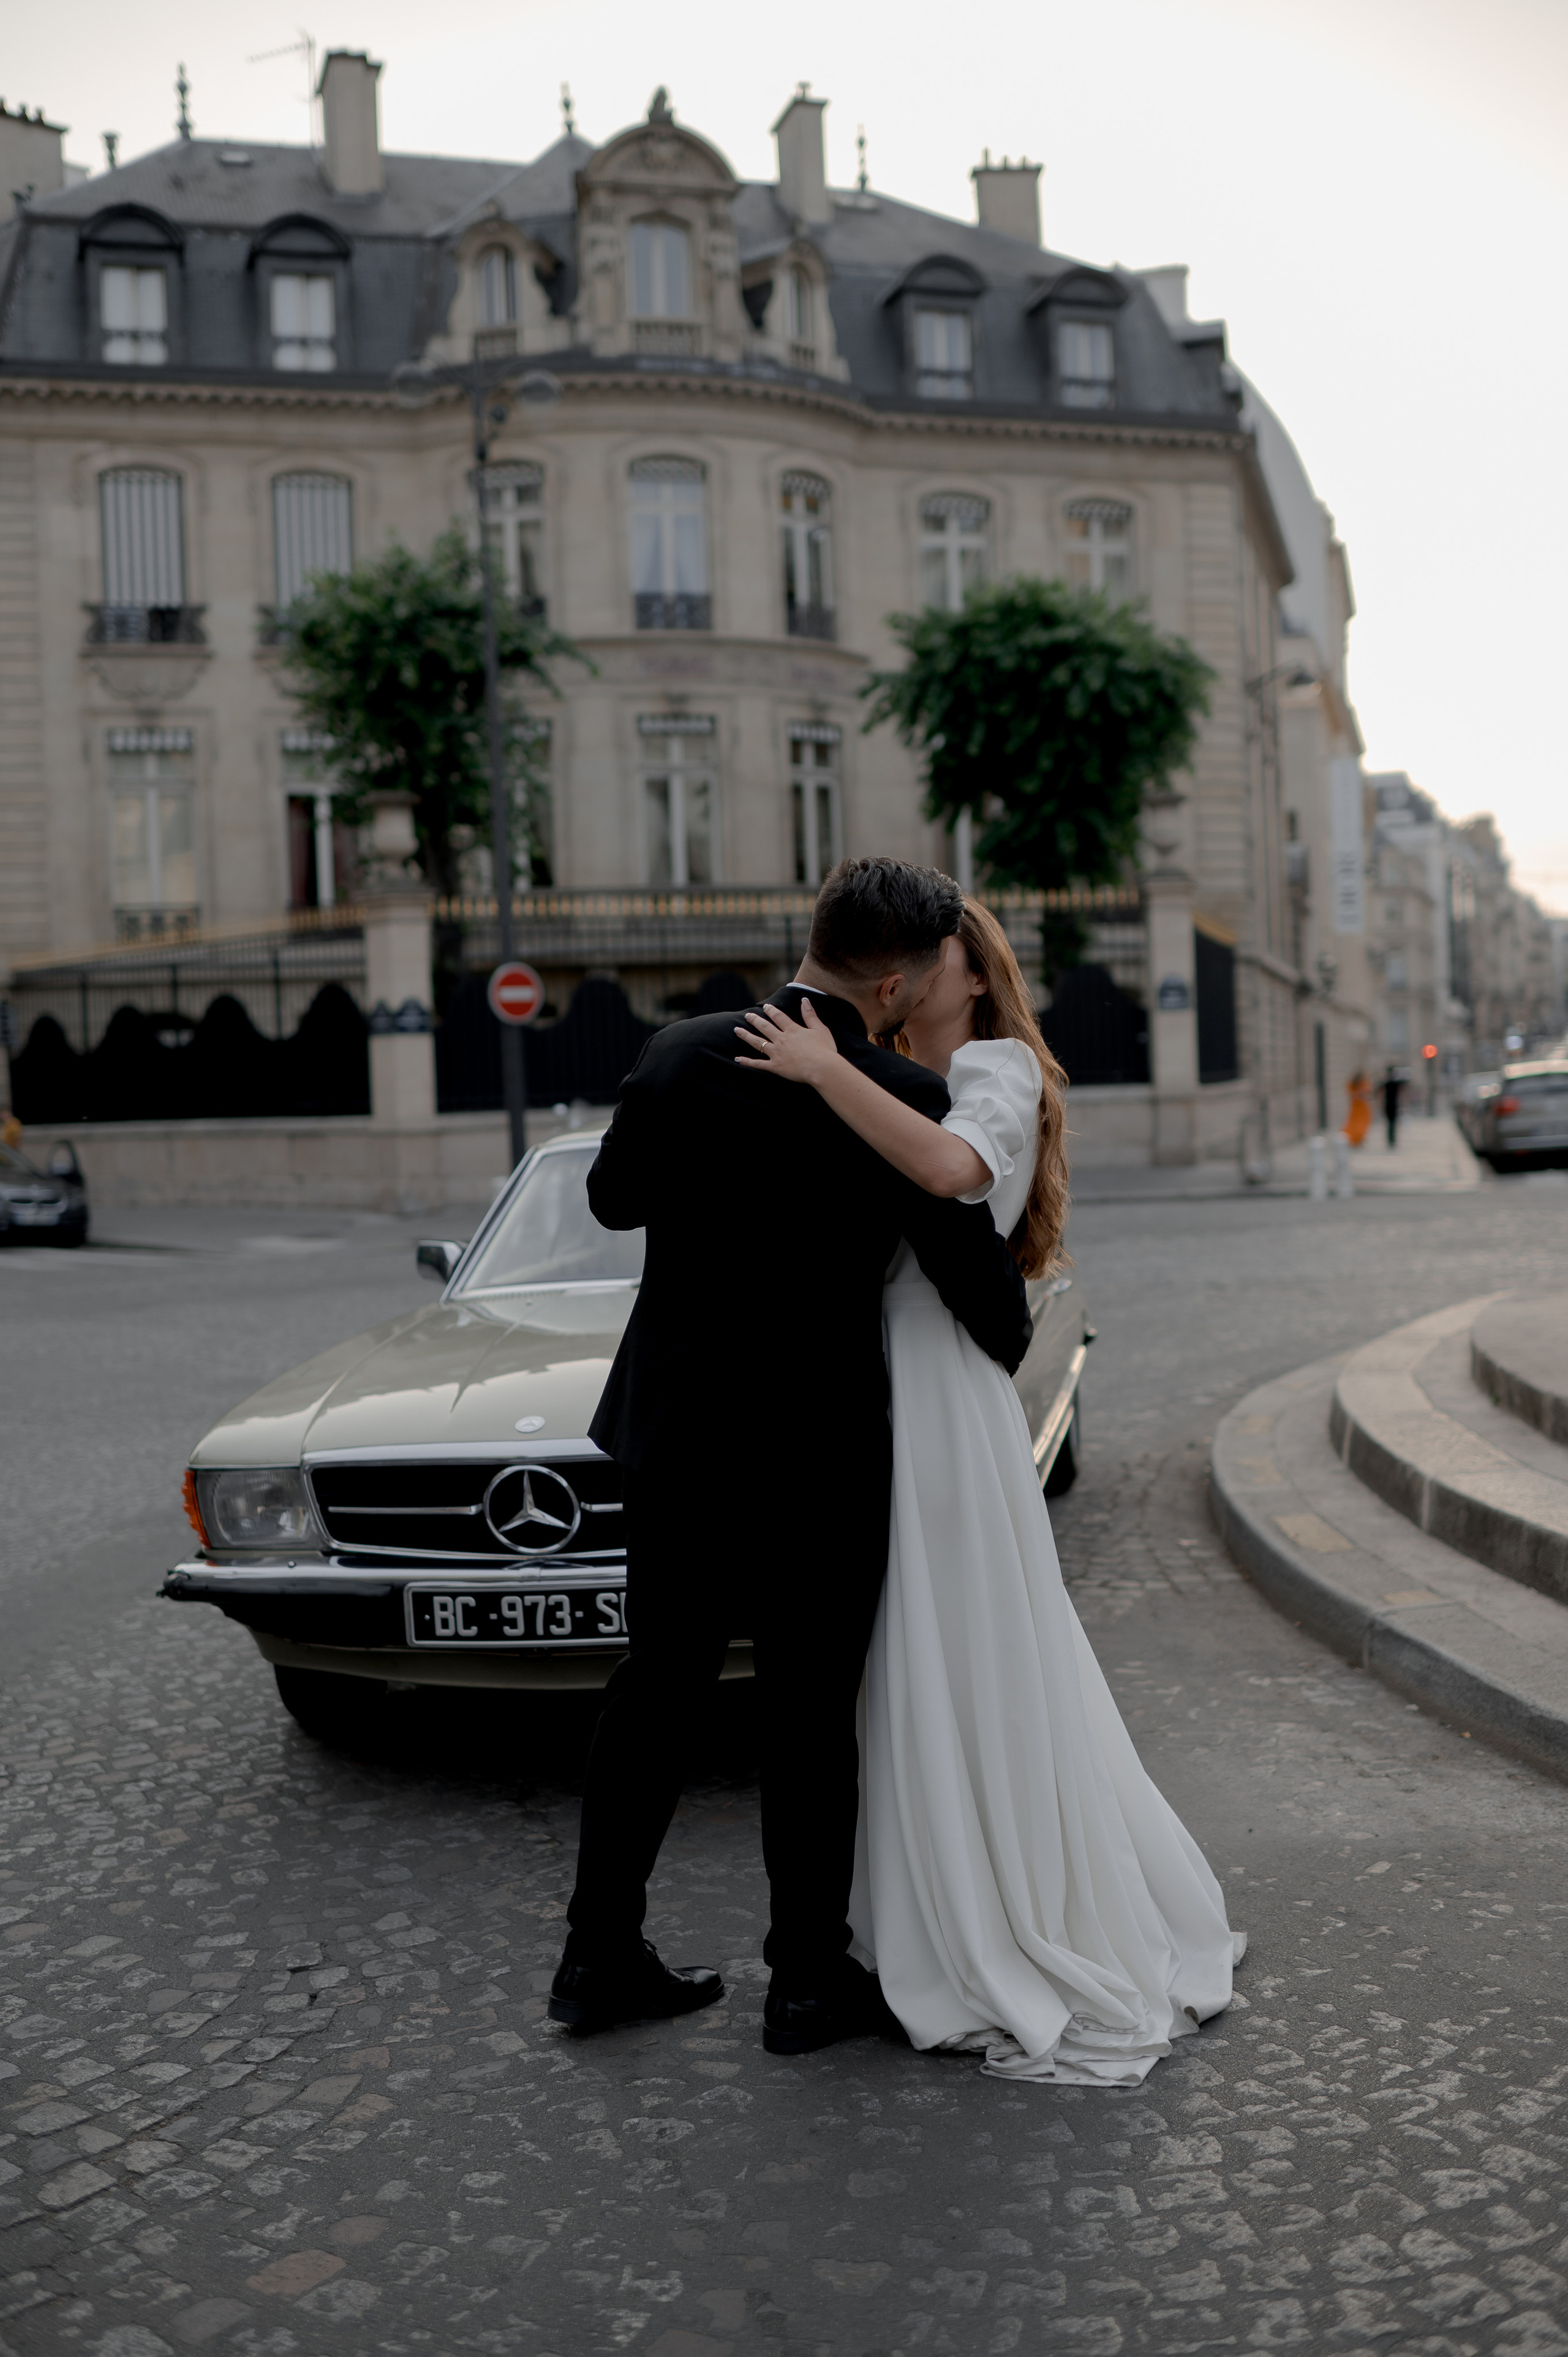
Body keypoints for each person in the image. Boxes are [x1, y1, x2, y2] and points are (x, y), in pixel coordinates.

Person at [736, 898, 1243, 2084]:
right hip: (871, 1391)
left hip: (944, 1398)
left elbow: (952, 1170)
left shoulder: (997, 1069)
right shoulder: (898, 1066)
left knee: (954, 1647)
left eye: (937, 951)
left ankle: (996, 1917)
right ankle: (913, 1913)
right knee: (898, 1664)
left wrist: (821, 1065)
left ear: (973, 969)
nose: (909, 972)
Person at [549, 858, 1035, 2052]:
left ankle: (594, 1956)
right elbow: (980, 1288)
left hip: (676, 1430)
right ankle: (806, 1982)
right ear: (895, 977)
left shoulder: (677, 1052)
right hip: (817, 1450)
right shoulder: (898, 1094)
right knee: (809, 1713)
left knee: (653, 1687)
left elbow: (613, 1204)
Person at [1343, 1069, 1373, 1149]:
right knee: (1355, 1124)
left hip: (1362, 1107)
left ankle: (1359, 1140)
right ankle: (1353, 1139)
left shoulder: (1364, 1084)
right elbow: (1354, 1096)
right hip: (1356, 1107)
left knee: (1363, 1124)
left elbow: (1368, 1093)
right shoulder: (1352, 1085)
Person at [1381, 1062, 1403, 1149]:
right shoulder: (1395, 1083)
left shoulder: (1387, 1083)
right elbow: (1401, 1095)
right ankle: (1392, 1140)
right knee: (1393, 1124)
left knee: (1389, 1124)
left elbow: (1381, 1095)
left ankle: (1390, 1140)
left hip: (1388, 1105)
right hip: (1394, 1105)